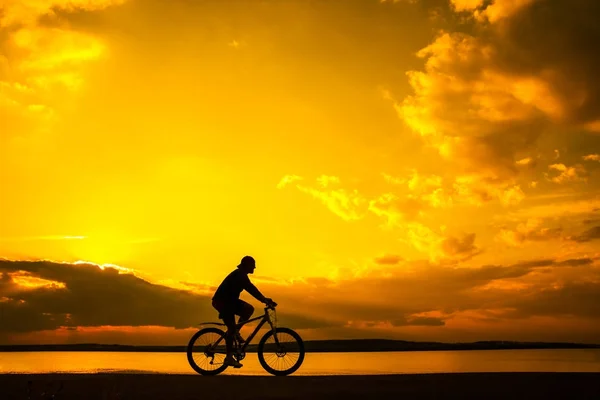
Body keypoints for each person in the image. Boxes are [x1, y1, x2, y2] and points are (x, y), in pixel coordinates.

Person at [211, 255, 276, 368]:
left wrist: (264, 299)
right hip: (222, 302)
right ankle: (229, 358)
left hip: (230, 302)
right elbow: (251, 289)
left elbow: (252, 288)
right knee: (231, 328)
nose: (254, 268)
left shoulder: (242, 274)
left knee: (248, 309)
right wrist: (264, 300)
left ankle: (235, 332)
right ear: (247, 266)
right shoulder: (240, 275)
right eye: (252, 266)